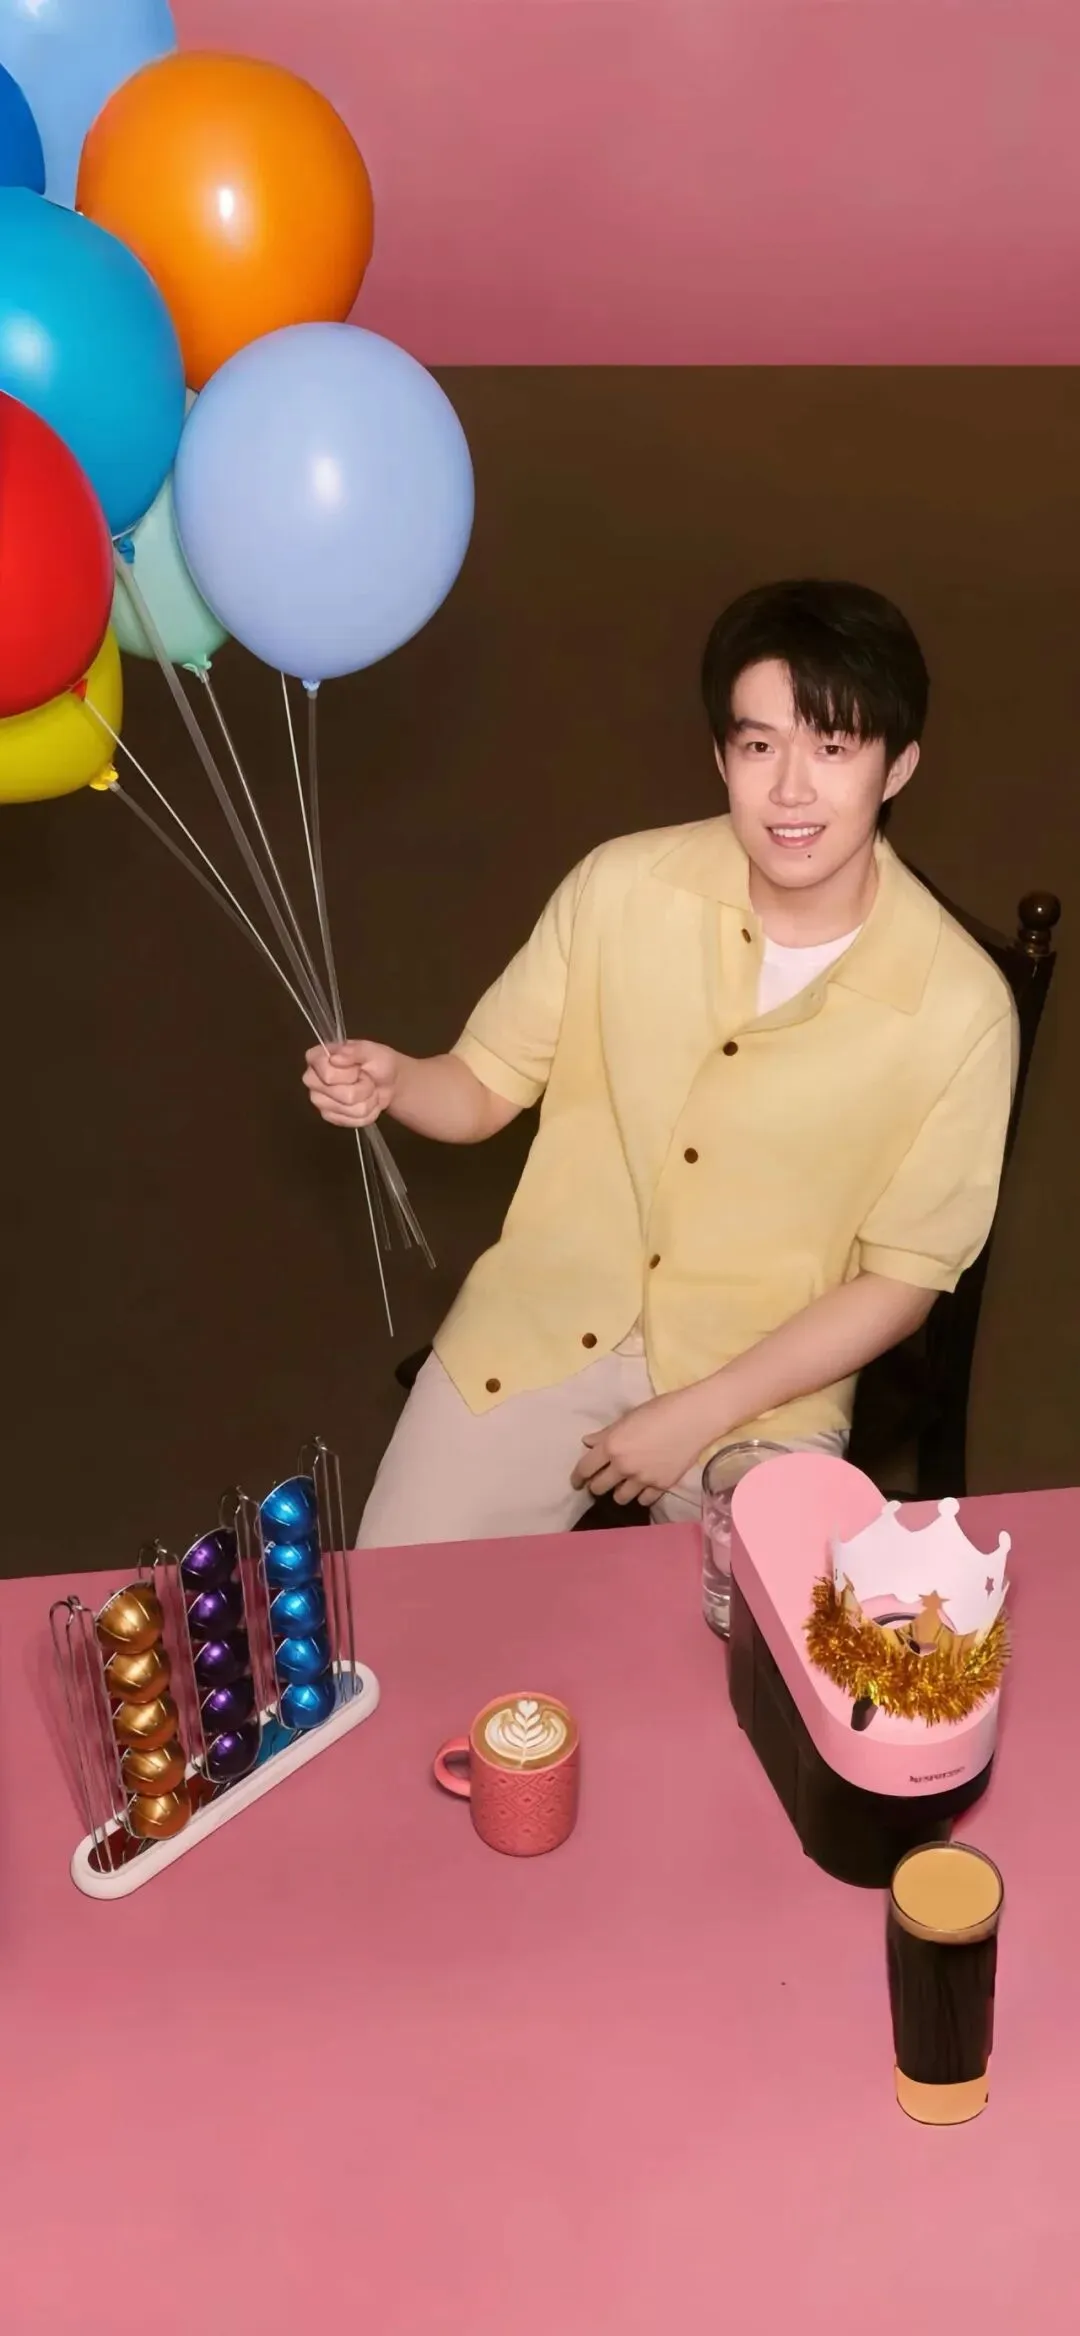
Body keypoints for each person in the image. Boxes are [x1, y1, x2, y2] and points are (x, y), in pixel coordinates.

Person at [305, 579, 1017, 1548]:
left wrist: (695, 1412)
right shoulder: (619, 888)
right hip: (544, 1322)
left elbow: (902, 1283)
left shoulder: (963, 1007)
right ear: (721, 755)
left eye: (834, 747)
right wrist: (398, 1079)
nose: (791, 790)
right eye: (759, 746)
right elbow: (480, 1090)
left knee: (783, 1632)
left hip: (766, 1384)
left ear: (897, 766)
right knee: (402, 1604)